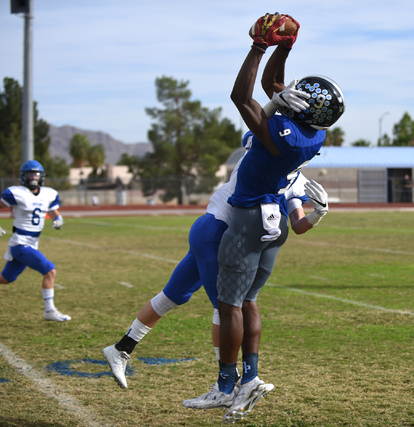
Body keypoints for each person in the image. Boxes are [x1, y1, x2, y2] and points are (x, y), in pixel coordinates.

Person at [182, 13, 345, 424]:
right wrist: (285, 48)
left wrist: (258, 47)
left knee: (229, 303)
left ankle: (225, 386)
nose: (295, 93)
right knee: (250, 299)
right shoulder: (315, 133)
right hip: (276, 221)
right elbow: (275, 88)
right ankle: (251, 377)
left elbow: (243, 98)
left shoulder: (286, 139)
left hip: (250, 216)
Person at [102, 127, 328, 389]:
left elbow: (298, 223)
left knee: (172, 295)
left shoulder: (294, 177)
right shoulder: (254, 163)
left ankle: (121, 348)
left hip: (221, 234)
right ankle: (227, 383)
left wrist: (318, 214)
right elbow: (255, 118)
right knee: (226, 306)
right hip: (217, 231)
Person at [0, 160, 70, 322]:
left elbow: (54, 211)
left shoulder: (49, 193)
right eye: (30, 174)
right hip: (20, 243)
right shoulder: (16, 192)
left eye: (36, 174)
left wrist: (58, 219)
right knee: (50, 270)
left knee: (6, 278)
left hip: (31, 243)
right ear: (23, 176)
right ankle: (49, 310)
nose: (33, 177)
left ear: (41, 176)